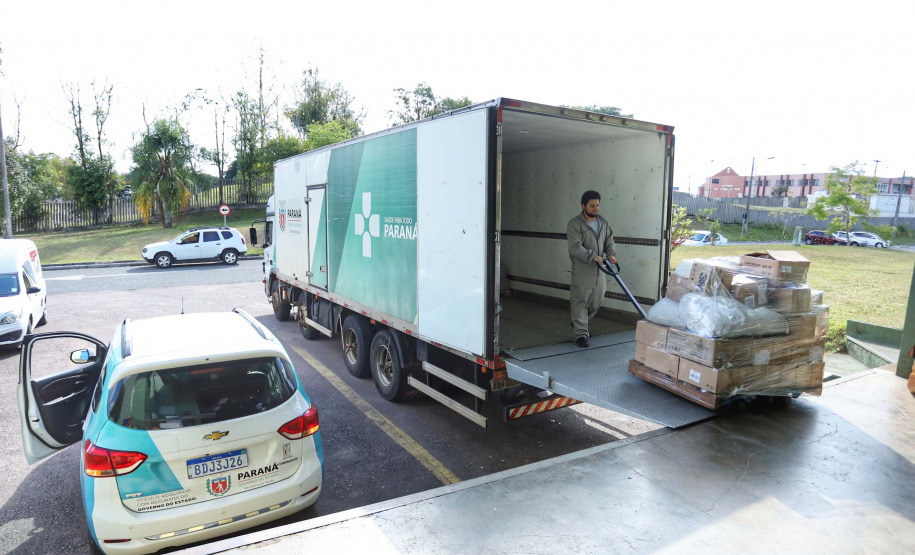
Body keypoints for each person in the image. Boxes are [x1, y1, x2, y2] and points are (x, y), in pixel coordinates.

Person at [567, 190, 616, 348]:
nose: (596, 209)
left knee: (597, 300)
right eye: (592, 206)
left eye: (597, 205)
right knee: (581, 301)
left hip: (600, 268)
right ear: (583, 206)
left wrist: (611, 253)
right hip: (583, 268)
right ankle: (581, 333)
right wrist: (592, 256)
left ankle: (581, 325)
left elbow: (609, 239)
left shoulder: (602, 222)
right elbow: (575, 247)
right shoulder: (575, 224)